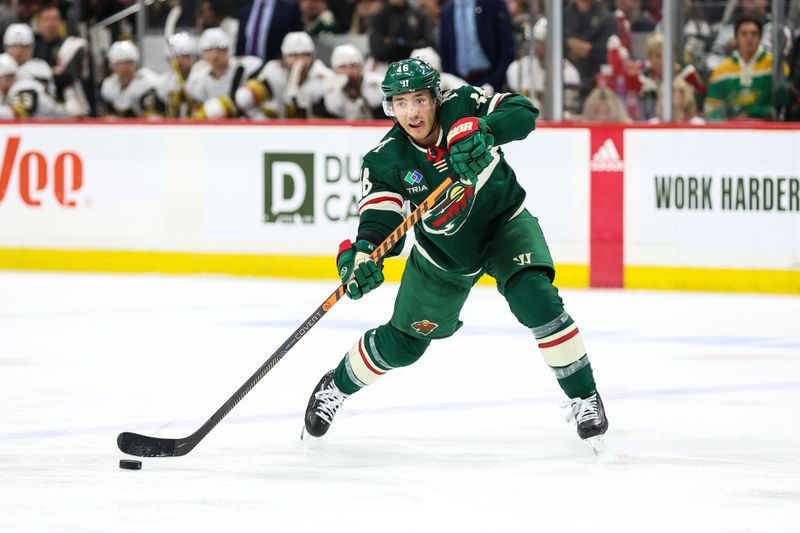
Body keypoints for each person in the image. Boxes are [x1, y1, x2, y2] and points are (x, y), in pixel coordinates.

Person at [301, 57, 609, 450]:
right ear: (389, 107)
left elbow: (524, 113)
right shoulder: (385, 160)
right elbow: (380, 223)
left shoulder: (464, 104)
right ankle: (336, 386)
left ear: (436, 97)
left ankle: (584, 396)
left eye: (419, 100)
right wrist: (364, 254)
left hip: (504, 225)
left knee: (535, 297)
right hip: (443, 256)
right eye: (400, 102)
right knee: (404, 346)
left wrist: (485, 130)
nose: (411, 112)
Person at [705, 16, 788, 121]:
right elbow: (712, 109)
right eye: (744, 34)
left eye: (754, 33)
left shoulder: (776, 66)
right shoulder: (721, 71)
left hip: (768, 130)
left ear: (760, 37)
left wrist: (752, 113)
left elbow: (782, 106)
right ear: (736, 38)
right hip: (731, 131)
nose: (749, 37)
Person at [236, 31, 333, 118]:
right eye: (293, 56)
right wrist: (262, 121)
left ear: (313, 56)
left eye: (305, 55)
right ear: (284, 57)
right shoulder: (273, 70)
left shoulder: (324, 76)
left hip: (312, 129)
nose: (300, 61)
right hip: (278, 127)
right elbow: (243, 98)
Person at [439, 0, 516, 93]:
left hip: (490, 81)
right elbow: (445, 53)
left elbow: (507, 47)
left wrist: (495, 81)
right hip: (458, 85)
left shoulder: (493, 4)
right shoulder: (447, 11)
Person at [186, 28, 263, 119]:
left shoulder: (245, 69)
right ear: (202, 53)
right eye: (209, 50)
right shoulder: (198, 74)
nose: (215, 55)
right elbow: (196, 108)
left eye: (220, 49)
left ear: (229, 50)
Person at [100, 40, 161, 118]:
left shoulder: (147, 82)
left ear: (136, 63)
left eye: (128, 62)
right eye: (119, 63)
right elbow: (109, 117)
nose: (124, 67)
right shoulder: (109, 85)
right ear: (112, 66)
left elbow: (153, 118)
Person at [235, 0, 304, 62]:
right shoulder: (246, 7)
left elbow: (296, 37)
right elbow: (241, 39)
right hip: (246, 66)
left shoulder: (289, 8)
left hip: (275, 66)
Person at [157, 32, 198, 118]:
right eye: (175, 57)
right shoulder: (163, 82)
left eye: (185, 56)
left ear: (193, 58)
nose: (179, 61)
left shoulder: (202, 77)